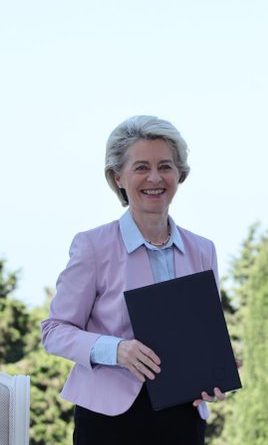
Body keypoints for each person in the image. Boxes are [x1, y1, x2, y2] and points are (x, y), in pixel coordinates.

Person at [42, 115, 227, 445]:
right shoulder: (93, 246)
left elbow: (203, 334)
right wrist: (117, 350)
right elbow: (54, 331)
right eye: (141, 167)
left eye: (165, 166)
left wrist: (215, 370)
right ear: (118, 177)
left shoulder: (202, 250)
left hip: (184, 418)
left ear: (179, 174)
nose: (155, 177)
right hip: (109, 420)